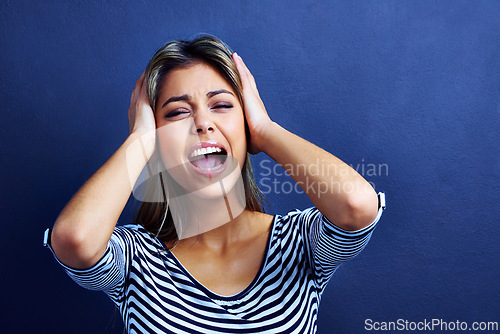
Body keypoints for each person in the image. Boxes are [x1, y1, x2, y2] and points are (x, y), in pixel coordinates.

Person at [44, 35, 386, 333]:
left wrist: (265, 131)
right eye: (177, 112)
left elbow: (357, 206)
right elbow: (75, 240)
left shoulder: (297, 243)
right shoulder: (136, 258)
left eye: (221, 105)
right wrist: (141, 139)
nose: (202, 122)